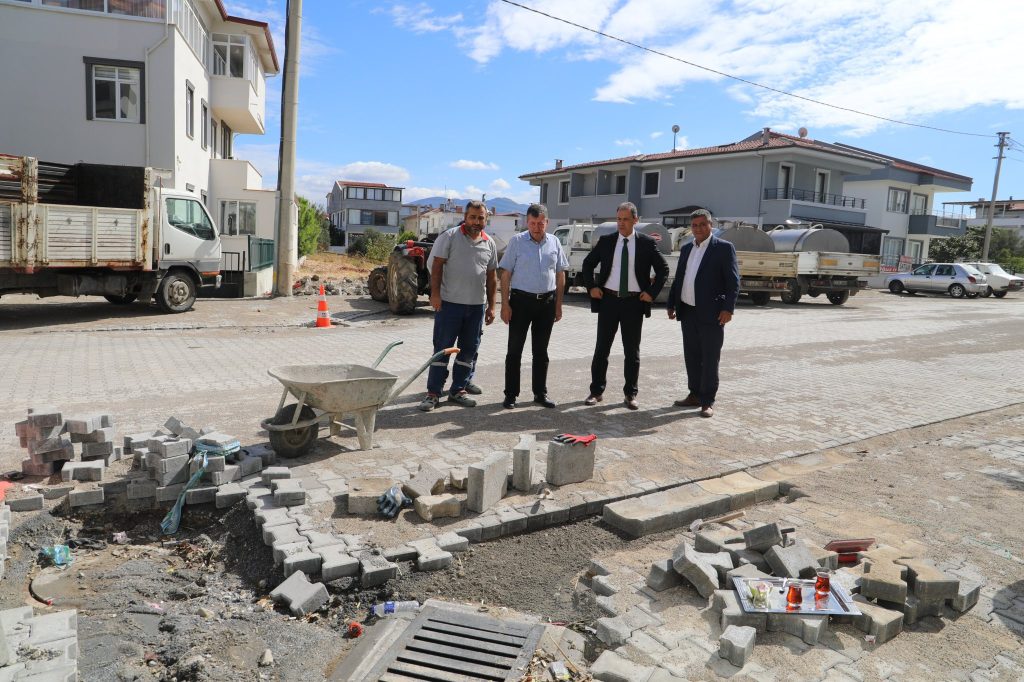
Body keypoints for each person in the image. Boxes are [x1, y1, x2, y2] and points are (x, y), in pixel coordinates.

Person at [582, 202, 669, 410]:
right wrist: (592, 287)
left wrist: (651, 293)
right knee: (602, 349)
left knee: (632, 352)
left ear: (635, 220)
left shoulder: (646, 243)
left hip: (634, 303)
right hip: (608, 301)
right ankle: (596, 391)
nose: (621, 223)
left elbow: (663, 269)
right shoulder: (606, 241)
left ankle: (630, 394)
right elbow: (587, 264)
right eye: (619, 219)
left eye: (626, 219)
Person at [418, 201, 497, 411]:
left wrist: (491, 306)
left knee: (468, 351)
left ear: (486, 220)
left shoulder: (489, 243)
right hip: (449, 305)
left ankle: (458, 390)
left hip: (476, 307)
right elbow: (436, 266)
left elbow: (491, 277)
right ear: (465, 217)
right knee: (442, 350)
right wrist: (435, 294)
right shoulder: (450, 237)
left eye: (481, 218)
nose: (476, 222)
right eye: (472, 217)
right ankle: (433, 393)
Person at [666, 209, 739, 418]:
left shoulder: (724, 248)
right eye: (695, 225)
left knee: (709, 358)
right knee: (692, 355)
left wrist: (728, 309)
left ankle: (707, 401)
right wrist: (672, 303)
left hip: (712, 313)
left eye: (702, 224)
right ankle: (694, 394)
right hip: (688, 311)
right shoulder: (687, 248)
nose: (698, 229)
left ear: (711, 225)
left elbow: (733, 281)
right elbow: (680, 277)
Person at [498, 203, 569, 409]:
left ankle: (540, 393)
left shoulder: (554, 242)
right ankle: (511, 394)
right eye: (532, 223)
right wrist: (505, 305)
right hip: (520, 303)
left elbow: (560, 273)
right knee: (514, 351)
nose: (536, 227)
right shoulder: (517, 242)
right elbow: (505, 273)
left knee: (541, 351)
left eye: (540, 223)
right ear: (526, 222)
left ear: (547, 222)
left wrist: (558, 304)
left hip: (546, 303)